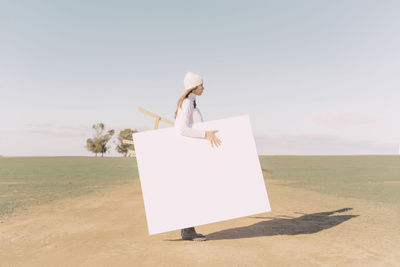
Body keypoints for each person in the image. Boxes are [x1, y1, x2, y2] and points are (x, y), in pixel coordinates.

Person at [174, 71, 222, 241]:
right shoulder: (187, 103)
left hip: (195, 154)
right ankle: (187, 231)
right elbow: (181, 129)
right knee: (191, 191)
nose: (203, 87)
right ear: (193, 87)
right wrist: (205, 135)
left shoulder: (192, 104)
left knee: (193, 191)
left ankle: (187, 229)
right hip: (189, 155)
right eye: (201, 85)